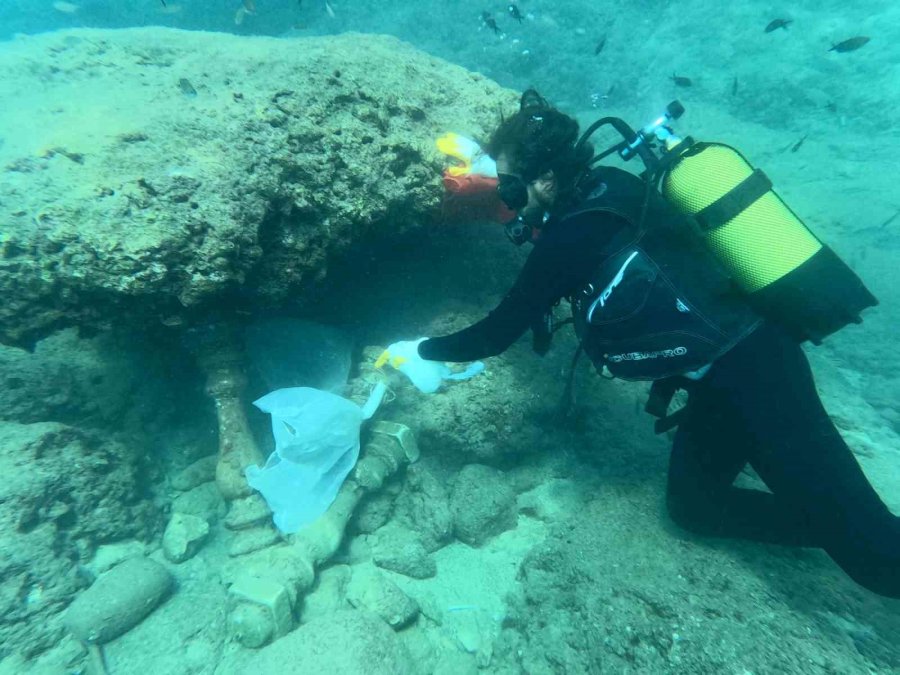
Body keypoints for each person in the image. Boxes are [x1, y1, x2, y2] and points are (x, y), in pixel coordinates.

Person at [378, 90, 900, 598]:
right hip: (721, 377)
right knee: (694, 507)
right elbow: (570, 237)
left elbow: (494, 335)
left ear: (548, 178)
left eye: (512, 186)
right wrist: (484, 171)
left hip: (757, 372)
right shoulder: (608, 186)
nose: (508, 199)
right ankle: (830, 523)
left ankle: (845, 529)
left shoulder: (570, 236)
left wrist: (419, 349)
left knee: (877, 560)